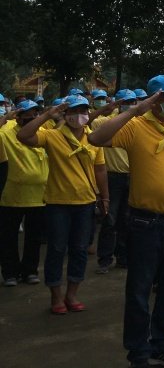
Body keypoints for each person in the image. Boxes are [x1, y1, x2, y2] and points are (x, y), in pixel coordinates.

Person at [88, 74, 164, 368]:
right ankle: (138, 352)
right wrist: (134, 110)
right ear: (154, 101)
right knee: (139, 291)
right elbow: (95, 138)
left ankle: (163, 344)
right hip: (146, 223)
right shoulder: (136, 127)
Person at [17, 94, 109, 314]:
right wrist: (48, 114)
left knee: (79, 250)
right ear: (65, 114)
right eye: (74, 111)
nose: (80, 115)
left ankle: (72, 294)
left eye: (84, 110)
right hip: (58, 203)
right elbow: (24, 135)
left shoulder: (93, 139)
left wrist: (105, 197)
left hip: (86, 203)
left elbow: (100, 169)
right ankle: (56, 296)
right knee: (57, 250)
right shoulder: (52, 136)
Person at [0, 100, 48, 286]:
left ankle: (30, 271)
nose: (32, 118)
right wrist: (5, 118)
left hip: (38, 195)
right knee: (8, 237)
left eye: (36, 114)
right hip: (11, 195)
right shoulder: (5, 134)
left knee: (33, 238)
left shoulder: (43, 134)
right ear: (17, 116)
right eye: (27, 115)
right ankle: (10, 273)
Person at [93, 89, 137, 274]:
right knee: (109, 219)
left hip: (132, 175)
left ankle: (123, 256)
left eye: (133, 101)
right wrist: (108, 108)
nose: (129, 104)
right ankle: (105, 259)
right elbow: (90, 124)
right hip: (112, 177)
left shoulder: (137, 125)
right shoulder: (104, 122)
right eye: (125, 102)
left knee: (127, 220)